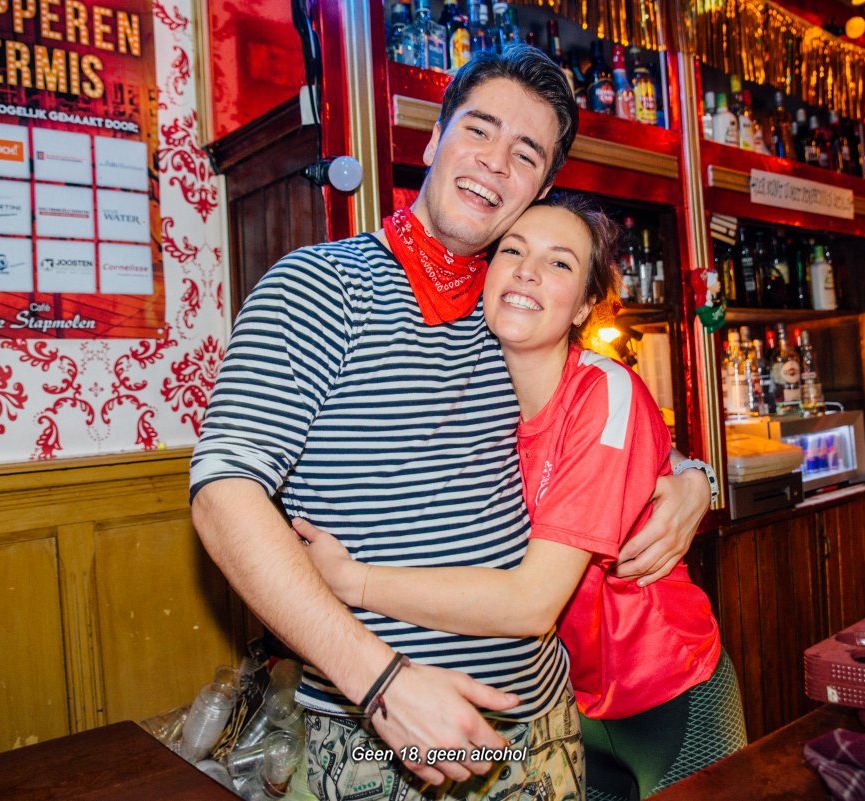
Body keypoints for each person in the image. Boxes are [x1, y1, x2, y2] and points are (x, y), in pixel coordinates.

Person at [190, 45, 713, 801]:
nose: (496, 162)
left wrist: (692, 478)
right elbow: (222, 493)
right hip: (377, 735)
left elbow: (604, 425)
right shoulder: (320, 287)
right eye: (478, 129)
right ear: (434, 140)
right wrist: (381, 681)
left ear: (540, 189)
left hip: (538, 732)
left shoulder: (514, 309)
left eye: (525, 154)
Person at [296, 194, 746, 798]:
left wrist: (351, 581)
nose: (528, 271)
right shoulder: (478, 393)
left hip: (667, 691)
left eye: (559, 263)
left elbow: (532, 603)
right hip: (569, 701)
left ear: (584, 304)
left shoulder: (604, 392)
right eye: (513, 251)